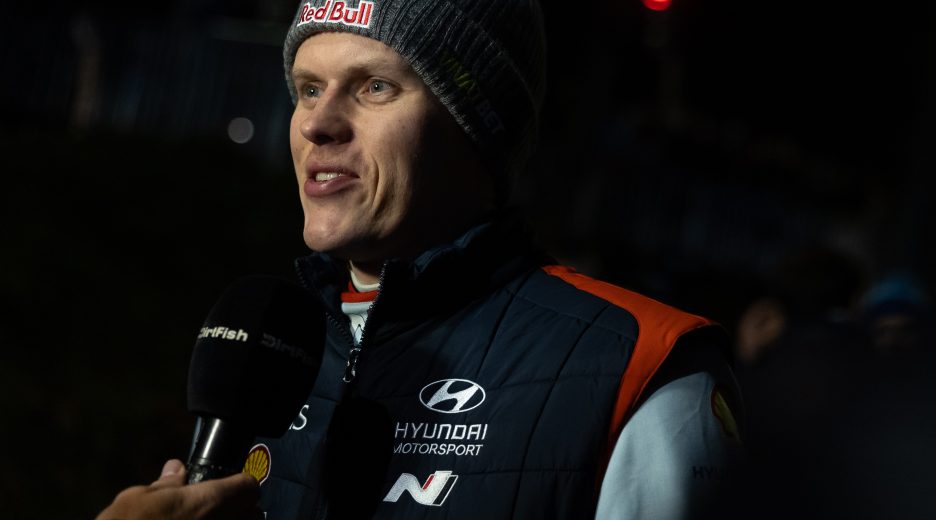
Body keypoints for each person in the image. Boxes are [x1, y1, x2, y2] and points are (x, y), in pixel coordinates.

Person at [96, 0, 743, 518]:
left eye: (375, 86)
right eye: (309, 87)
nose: (318, 123)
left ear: (476, 130)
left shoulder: (640, 368)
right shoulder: (270, 346)